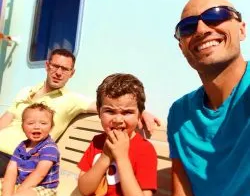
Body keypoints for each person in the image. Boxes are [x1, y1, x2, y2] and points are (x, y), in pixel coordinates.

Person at [0, 49, 160, 177]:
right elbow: (5, 120)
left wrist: (142, 111)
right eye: (55, 66)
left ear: (72, 73)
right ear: (47, 66)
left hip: (17, 158)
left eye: (65, 69)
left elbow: (109, 106)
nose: (58, 73)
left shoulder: (72, 100)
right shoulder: (25, 91)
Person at [167, 0, 249, 196]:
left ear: (241, 29)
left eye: (216, 15)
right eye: (187, 27)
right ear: (182, 47)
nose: (201, 30)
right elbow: (182, 194)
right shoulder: (179, 113)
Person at [78, 73, 157, 196]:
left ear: (139, 115)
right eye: (110, 111)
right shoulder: (97, 142)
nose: (118, 119)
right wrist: (105, 156)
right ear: (99, 112)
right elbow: (84, 190)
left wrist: (121, 157)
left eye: (127, 112)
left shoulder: (145, 150)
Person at [0, 103, 60, 196]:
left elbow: (40, 173)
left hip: (42, 188)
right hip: (21, 184)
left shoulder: (49, 148)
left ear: (51, 127)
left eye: (43, 123)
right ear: (23, 127)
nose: (37, 127)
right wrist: (6, 195)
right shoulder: (21, 146)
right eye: (30, 123)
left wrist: (18, 192)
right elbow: (11, 171)